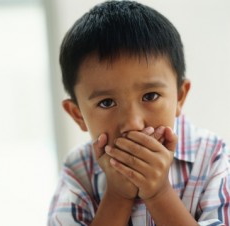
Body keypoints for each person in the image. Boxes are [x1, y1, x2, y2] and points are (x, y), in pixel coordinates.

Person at [48, 1, 230, 225]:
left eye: (150, 96)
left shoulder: (212, 157)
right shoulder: (78, 171)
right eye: (106, 102)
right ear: (78, 115)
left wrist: (159, 193)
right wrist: (117, 195)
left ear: (179, 97)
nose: (133, 124)